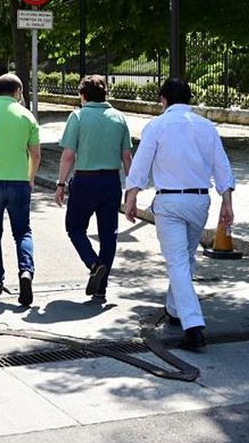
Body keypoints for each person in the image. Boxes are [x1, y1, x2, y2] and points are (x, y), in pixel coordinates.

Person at [123, 79, 235, 351]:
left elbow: (141, 164)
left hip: (170, 201)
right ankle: (174, 309)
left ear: (163, 99)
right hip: (200, 201)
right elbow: (222, 165)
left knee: (177, 262)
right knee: (185, 258)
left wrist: (131, 196)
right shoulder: (207, 127)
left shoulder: (157, 126)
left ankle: (193, 324)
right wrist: (227, 201)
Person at [54, 75, 133, 298]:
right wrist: (132, 189)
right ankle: (102, 285)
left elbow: (68, 155)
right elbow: (126, 157)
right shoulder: (119, 117)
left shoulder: (77, 116)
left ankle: (93, 263)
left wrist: (61, 183)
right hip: (111, 181)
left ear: (83, 95)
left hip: (85, 181)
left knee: (75, 227)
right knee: (109, 234)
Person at [0, 73, 41, 306]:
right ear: (18, 92)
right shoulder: (26, 115)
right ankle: (26, 271)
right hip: (18, 181)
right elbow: (35, 154)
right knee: (22, 232)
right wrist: (31, 177)